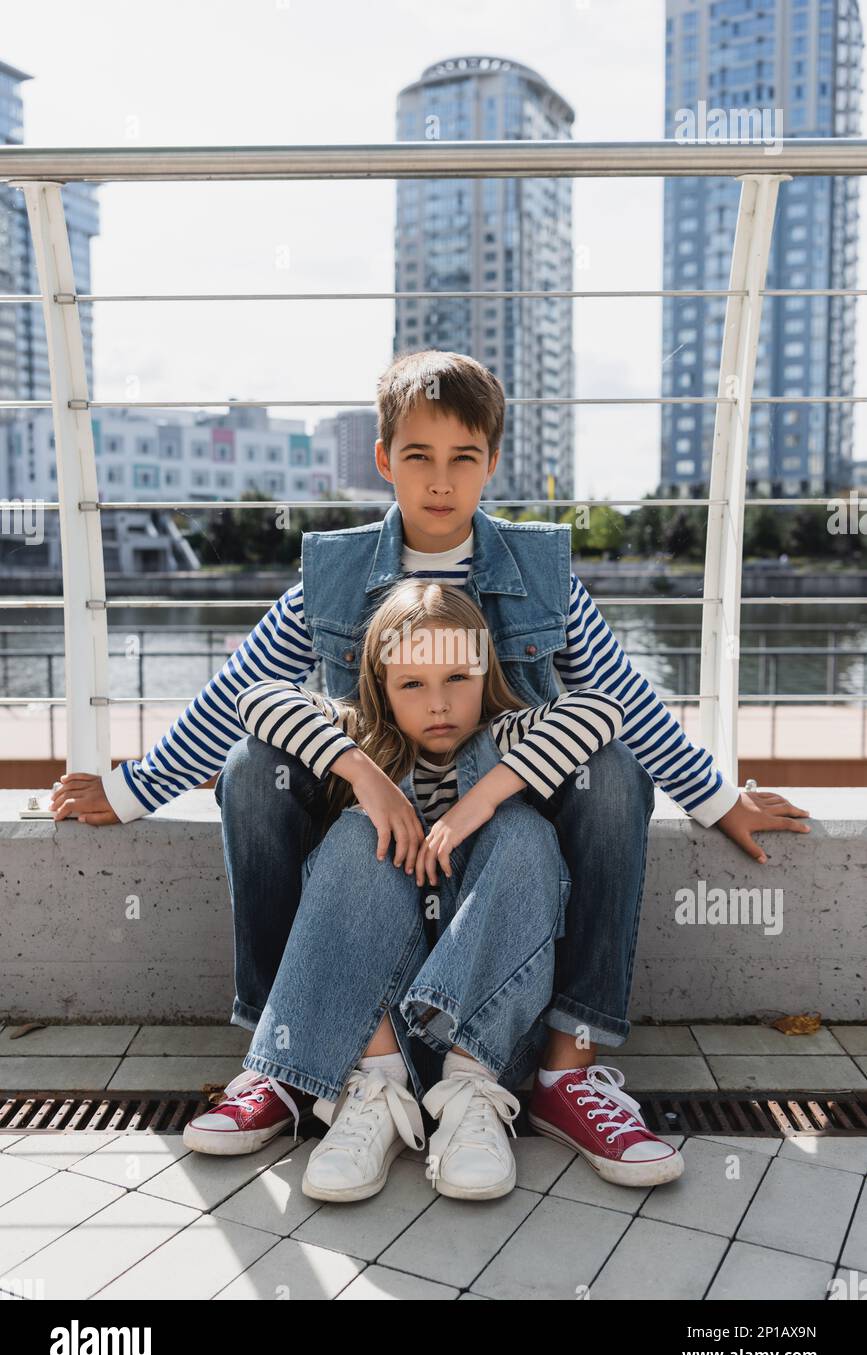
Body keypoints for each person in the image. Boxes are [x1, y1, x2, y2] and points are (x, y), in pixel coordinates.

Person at [49, 349, 811, 1187]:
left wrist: (713, 798)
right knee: (249, 770)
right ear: (384, 461)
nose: (440, 482)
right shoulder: (336, 572)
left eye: (462, 459)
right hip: (365, 794)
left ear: (491, 461)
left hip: (505, 791)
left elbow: (617, 697)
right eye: (417, 457)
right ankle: (284, 1058)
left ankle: (564, 1068)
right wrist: (132, 789)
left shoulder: (538, 570)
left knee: (617, 773)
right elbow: (244, 689)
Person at [185, 578, 669, 1201]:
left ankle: (472, 1098)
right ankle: (372, 1092)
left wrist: (481, 800)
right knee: (359, 838)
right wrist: (361, 772)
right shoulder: (362, 736)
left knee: (521, 833)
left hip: (489, 1015)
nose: (438, 704)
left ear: (485, 675)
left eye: (458, 680)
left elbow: (603, 710)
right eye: (412, 684)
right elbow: (256, 700)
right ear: (382, 690)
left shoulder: (506, 735)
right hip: (374, 1020)